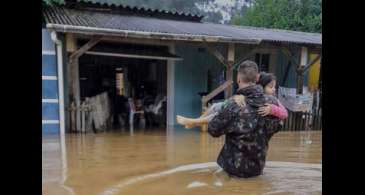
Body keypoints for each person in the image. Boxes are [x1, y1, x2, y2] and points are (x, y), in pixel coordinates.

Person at [208, 60, 282, 178]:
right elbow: (279, 125)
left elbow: (212, 129)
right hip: (258, 169)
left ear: (238, 78)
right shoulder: (272, 103)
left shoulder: (234, 105)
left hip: (233, 170)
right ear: (257, 77)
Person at [176, 72, 287, 129]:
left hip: (247, 121)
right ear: (260, 87)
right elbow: (238, 98)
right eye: (271, 87)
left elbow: (285, 113)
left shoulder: (273, 100)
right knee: (216, 106)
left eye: (273, 87)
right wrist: (239, 97)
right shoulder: (253, 94)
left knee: (219, 115)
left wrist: (271, 109)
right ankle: (196, 121)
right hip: (241, 115)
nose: (274, 89)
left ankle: (193, 122)